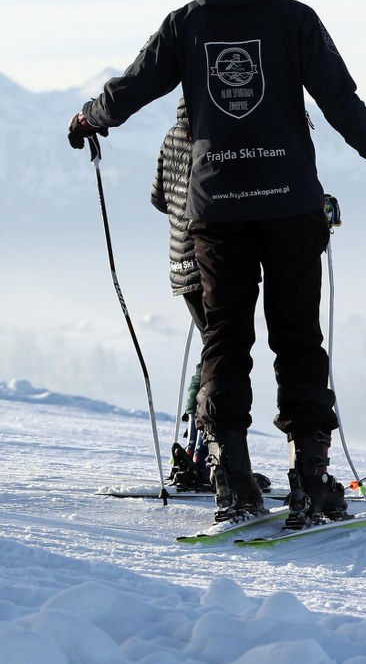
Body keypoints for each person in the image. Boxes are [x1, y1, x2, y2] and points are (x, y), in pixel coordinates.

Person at [66, 0, 366, 527]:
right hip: (291, 207)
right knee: (297, 341)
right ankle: (310, 486)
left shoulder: (185, 24)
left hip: (216, 212)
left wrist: (88, 118)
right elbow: (343, 105)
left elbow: (130, 89)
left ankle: (232, 484)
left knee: (225, 341)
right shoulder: (295, 19)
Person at [150, 96, 213, 490]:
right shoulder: (210, 140)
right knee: (221, 352)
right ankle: (201, 455)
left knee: (213, 348)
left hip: (178, 261)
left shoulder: (171, 137)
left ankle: (196, 451)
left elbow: (158, 198)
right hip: (208, 257)